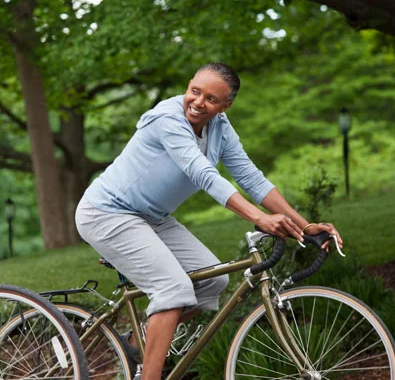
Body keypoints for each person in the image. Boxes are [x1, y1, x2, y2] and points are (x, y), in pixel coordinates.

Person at [75, 62, 343, 380]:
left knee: (214, 281)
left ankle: (144, 340)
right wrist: (259, 217)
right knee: (173, 290)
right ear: (188, 86)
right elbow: (203, 175)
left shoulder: (220, 128)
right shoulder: (167, 118)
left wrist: (304, 224)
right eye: (195, 91)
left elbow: (252, 178)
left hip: (152, 218)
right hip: (108, 213)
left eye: (211, 99)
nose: (199, 102)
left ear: (225, 106)